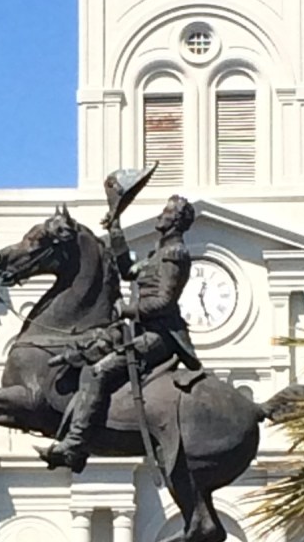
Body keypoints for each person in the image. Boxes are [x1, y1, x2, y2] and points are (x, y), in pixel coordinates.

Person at [40, 194, 201, 473]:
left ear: (175, 220)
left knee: (98, 372)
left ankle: (75, 445)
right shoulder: (157, 254)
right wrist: (115, 229)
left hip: (159, 337)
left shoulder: (175, 254)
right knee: (84, 350)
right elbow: (128, 270)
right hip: (139, 329)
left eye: (166, 212)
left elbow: (164, 301)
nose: (161, 215)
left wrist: (127, 310)